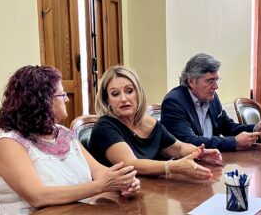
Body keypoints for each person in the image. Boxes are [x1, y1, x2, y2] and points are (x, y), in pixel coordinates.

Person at [0, 65, 140, 215]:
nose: (67, 99)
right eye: (62, 95)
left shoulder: (62, 132)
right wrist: (100, 186)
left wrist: (123, 182)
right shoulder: (9, 143)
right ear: (42, 101)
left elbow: (99, 172)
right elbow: (38, 196)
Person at [88, 65, 223, 179]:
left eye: (129, 91)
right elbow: (131, 164)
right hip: (116, 199)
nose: (123, 99)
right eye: (115, 94)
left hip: (151, 192)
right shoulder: (104, 127)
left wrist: (199, 153)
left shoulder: (147, 121)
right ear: (107, 101)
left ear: (138, 93)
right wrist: (173, 167)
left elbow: (178, 148)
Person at [160, 53, 261, 152]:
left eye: (217, 80)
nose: (216, 86)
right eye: (210, 81)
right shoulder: (174, 102)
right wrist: (234, 142)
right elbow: (189, 142)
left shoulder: (211, 97)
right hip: (186, 165)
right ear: (191, 81)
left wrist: (254, 129)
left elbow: (228, 127)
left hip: (212, 160)